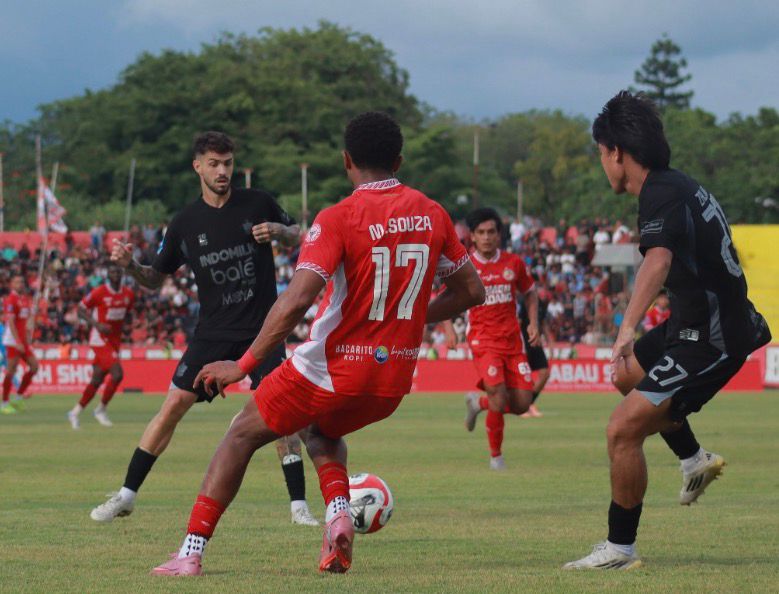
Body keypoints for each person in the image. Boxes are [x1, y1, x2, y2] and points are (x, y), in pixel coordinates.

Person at [150, 111, 484, 576]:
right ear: (400, 159)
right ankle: (338, 515)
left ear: (347, 161)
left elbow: (296, 300)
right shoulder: (433, 213)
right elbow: (473, 290)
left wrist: (243, 364)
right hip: (393, 378)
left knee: (240, 434)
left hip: (332, 367)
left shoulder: (339, 217)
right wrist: (400, 323)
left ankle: (190, 553)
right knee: (322, 430)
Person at [564, 91, 771, 570]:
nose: (602, 163)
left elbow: (658, 259)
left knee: (621, 430)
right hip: (691, 325)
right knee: (624, 375)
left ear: (616, 152)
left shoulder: (660, 192)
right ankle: (694, 458)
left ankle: (620, 549)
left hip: (715, 337)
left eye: (600, 153)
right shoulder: (676, 186)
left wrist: (626, 327)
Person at [89, 131, 318, 527]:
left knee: (282, 415)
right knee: (172, 406)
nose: (223, 171)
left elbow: (306, 236)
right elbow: (155, 278)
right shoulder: (184, 223)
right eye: (214, 164)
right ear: (198, 166)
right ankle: (126, 495)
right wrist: (128, 265)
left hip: (263, 329)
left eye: (227, 163)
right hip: (212, 333)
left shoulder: (258, 202)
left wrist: (280, 232)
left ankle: (298, 506)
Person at [462, 208, 539, 470]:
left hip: (513, 342)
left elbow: (530, 292)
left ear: (499, 235)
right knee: (498, 393)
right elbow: (443, 294)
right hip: (483, 341)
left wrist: (533, 324)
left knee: (522, 404)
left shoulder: (513, 263)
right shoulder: (465, 265)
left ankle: (478, 402)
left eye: (491, 232)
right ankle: (496, 457)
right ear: (472, 236)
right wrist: (449, 328)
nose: (486, 237)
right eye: (481, 232)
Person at [67, 264, 134, 429]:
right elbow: (81, 310)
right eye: (112, 271)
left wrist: (126, 328)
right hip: (99, 339)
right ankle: (101, 409)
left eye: (118, 271)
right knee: (117, 374)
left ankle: (74, 412)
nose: (116, 274)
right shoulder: (99, 292)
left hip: (114, 341)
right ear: (108, 275)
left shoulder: (128, 294)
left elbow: (127, 314)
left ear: (122, 274)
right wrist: (96, 325)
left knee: (97, 379)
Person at [2, 274, 39, 414]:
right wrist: (17, 341)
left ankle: (18, 398)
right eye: (17, 282)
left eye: (22, 282)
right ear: (12, 284)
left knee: (34, 366)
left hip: (23, 340)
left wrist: (29, 334)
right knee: (11, 370)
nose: (20, 284)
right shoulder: (10, 300)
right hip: (13, 341)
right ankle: (4, 403)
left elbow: (27, 320)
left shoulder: (24, 299)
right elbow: (10, 322)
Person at [518, 288, 549, 418]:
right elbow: (518, 323)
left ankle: (529, 403)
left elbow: (543, 323)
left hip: (535, 342)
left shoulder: (542, 305)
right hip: (523, 343)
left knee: (545, 373)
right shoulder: (524, 303)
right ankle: (522, 407)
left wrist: (549, 340)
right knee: (525, 377)